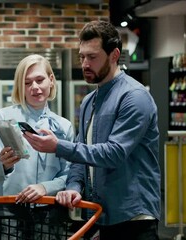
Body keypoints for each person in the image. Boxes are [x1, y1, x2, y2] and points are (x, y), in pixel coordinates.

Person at [23, 20, 161, 240]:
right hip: (100, 214)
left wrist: (58, 146)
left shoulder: (134, 97)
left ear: (114, 55)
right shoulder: (89, 101)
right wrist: (74, 186)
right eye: (82, 56)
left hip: (134, 217)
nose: (85, 64)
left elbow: (114, 153)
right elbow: (82, 155)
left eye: (92, 57)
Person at [0, 54, 74, 239]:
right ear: (20, 86)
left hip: (50, 211)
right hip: (8, 212)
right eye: (27, 82)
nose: (35, 87)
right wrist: (4, 165)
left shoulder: (64, 126)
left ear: (51, 80)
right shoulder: (2, 118)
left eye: (40, 80)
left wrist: (45, 187)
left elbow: (69, 174)